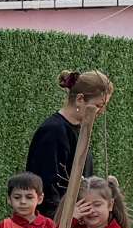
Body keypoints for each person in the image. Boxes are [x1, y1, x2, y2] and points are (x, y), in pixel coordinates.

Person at [25, 70, 112, 219]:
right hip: (56, 225)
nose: (102, 111)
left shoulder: (78, 130)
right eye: (99, 105)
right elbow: (46, 186)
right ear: (80, 99)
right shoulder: (53, 131)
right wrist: (63, 219)